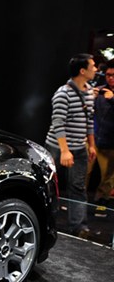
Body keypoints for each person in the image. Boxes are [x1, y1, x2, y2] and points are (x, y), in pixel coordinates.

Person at [45, 53, 98, 238]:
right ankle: (45, 220)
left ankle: (79, 226)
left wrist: (91, 145)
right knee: (50, 185)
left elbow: (89, 120)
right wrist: (65, 150)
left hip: (79, 148)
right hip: (57, 147)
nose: (95, 69)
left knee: (78, 187)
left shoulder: (89, 92)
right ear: (82, 70)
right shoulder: (63, 93)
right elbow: (58, 123)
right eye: (93, 66)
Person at [89, 59, 114, 207]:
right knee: (83, 172)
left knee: (108, 177)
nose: (110, 78)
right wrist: (90, 98)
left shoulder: (108, 95)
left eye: (113, 75)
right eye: (108, 75)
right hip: (93, 139)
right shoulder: (99, 91)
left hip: (111, 143)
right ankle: (78, 202)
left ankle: (101, 204)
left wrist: (113, 99)